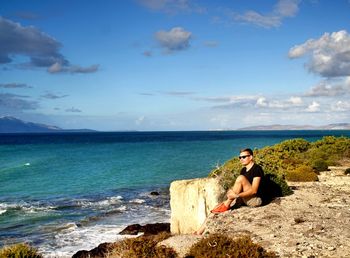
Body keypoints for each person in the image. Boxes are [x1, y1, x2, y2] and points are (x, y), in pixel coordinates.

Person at [195, 148, 264, 235]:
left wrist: (237, 196)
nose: (241, 159)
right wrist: (230, 192)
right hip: (244, 198)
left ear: (251, 157)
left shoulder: (257, 169)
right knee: (218, 206)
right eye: (240, 157)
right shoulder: (243, 170)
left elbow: (254, 191)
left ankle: (226, 204)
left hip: (255, 200)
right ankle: (199, 231)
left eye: (244, 157)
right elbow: (239, 186)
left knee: (240, 178)